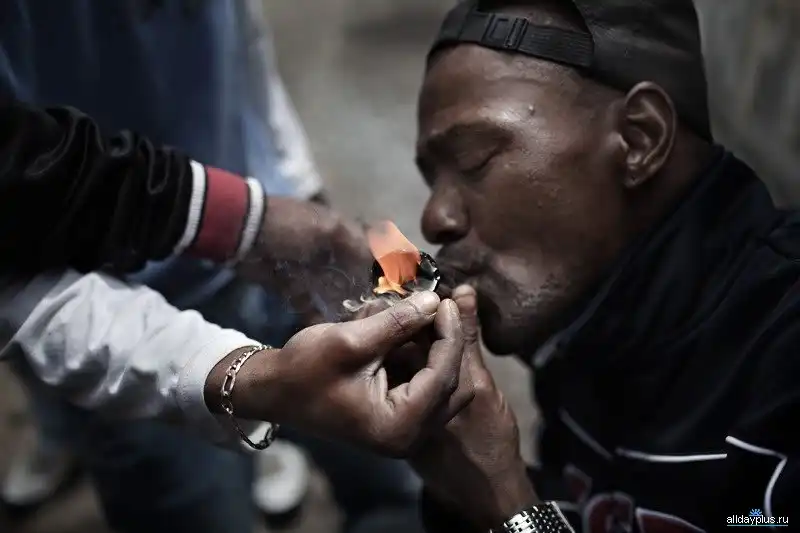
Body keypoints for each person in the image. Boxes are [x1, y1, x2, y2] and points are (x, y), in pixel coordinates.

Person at [372, 0, 798, 531]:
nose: (434, 218)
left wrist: (505, 503)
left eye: (476, 159)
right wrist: (456, 477)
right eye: (432, 180)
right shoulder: (587, 315)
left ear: (639, 138)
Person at [0, 1, 423, 531]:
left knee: (398, 485)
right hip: (118, 319)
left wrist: (302, 194)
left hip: (271, 254)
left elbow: (243, 53)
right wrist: (237, 376)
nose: (440, 218)